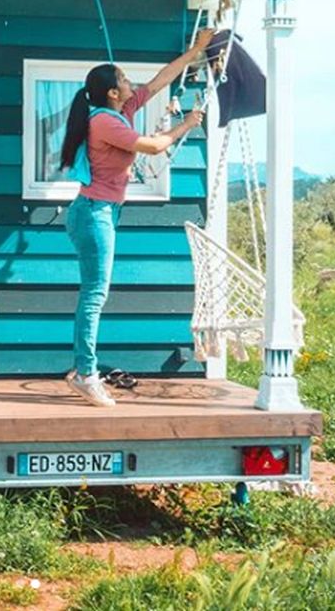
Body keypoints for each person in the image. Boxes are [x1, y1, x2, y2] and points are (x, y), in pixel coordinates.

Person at [59, 30, 215, 407]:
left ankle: (83, 368)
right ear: (113, 91)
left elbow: (162, 79)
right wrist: (187, 125)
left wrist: (195, 51)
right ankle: (84, 373)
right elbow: (154, 147)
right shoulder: (105, 123)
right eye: (124, 79)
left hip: (101, 212)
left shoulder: (121, 112)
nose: (131, 83)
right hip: (93, 214)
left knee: (94, 293)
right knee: (95, 295)